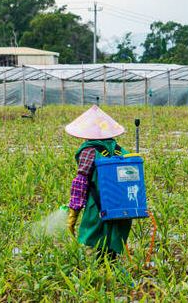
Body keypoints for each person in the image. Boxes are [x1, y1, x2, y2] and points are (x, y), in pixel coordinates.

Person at [65, 105, 131, 259]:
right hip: (122, 206)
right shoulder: (121, 150)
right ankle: (110, 271)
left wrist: (73, 213)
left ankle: (98, 276)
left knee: (94, 245)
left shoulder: (89, 151)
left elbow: (80, 182)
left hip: (98, 206)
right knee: (111, 246)